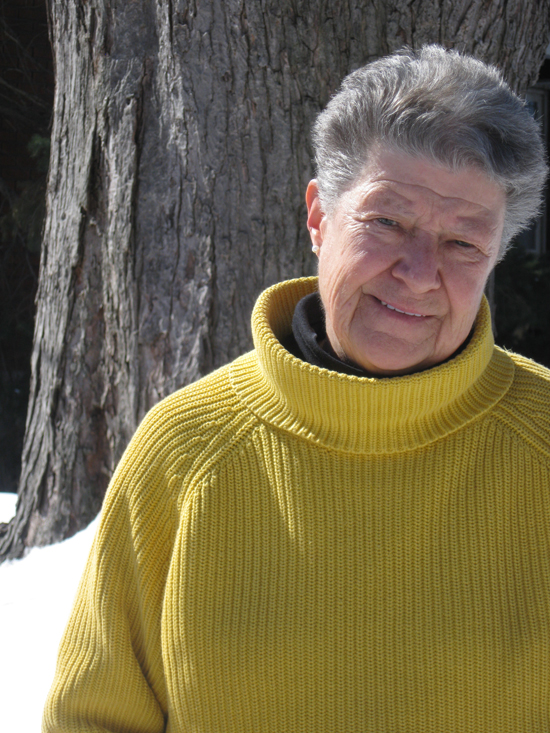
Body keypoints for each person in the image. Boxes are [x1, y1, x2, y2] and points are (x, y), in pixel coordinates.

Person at [44, 45, 550, 733]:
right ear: (318, 217)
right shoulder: (187, 450)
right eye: (388, 222)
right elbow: (93, 717)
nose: (419, 270)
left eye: (463, 242)